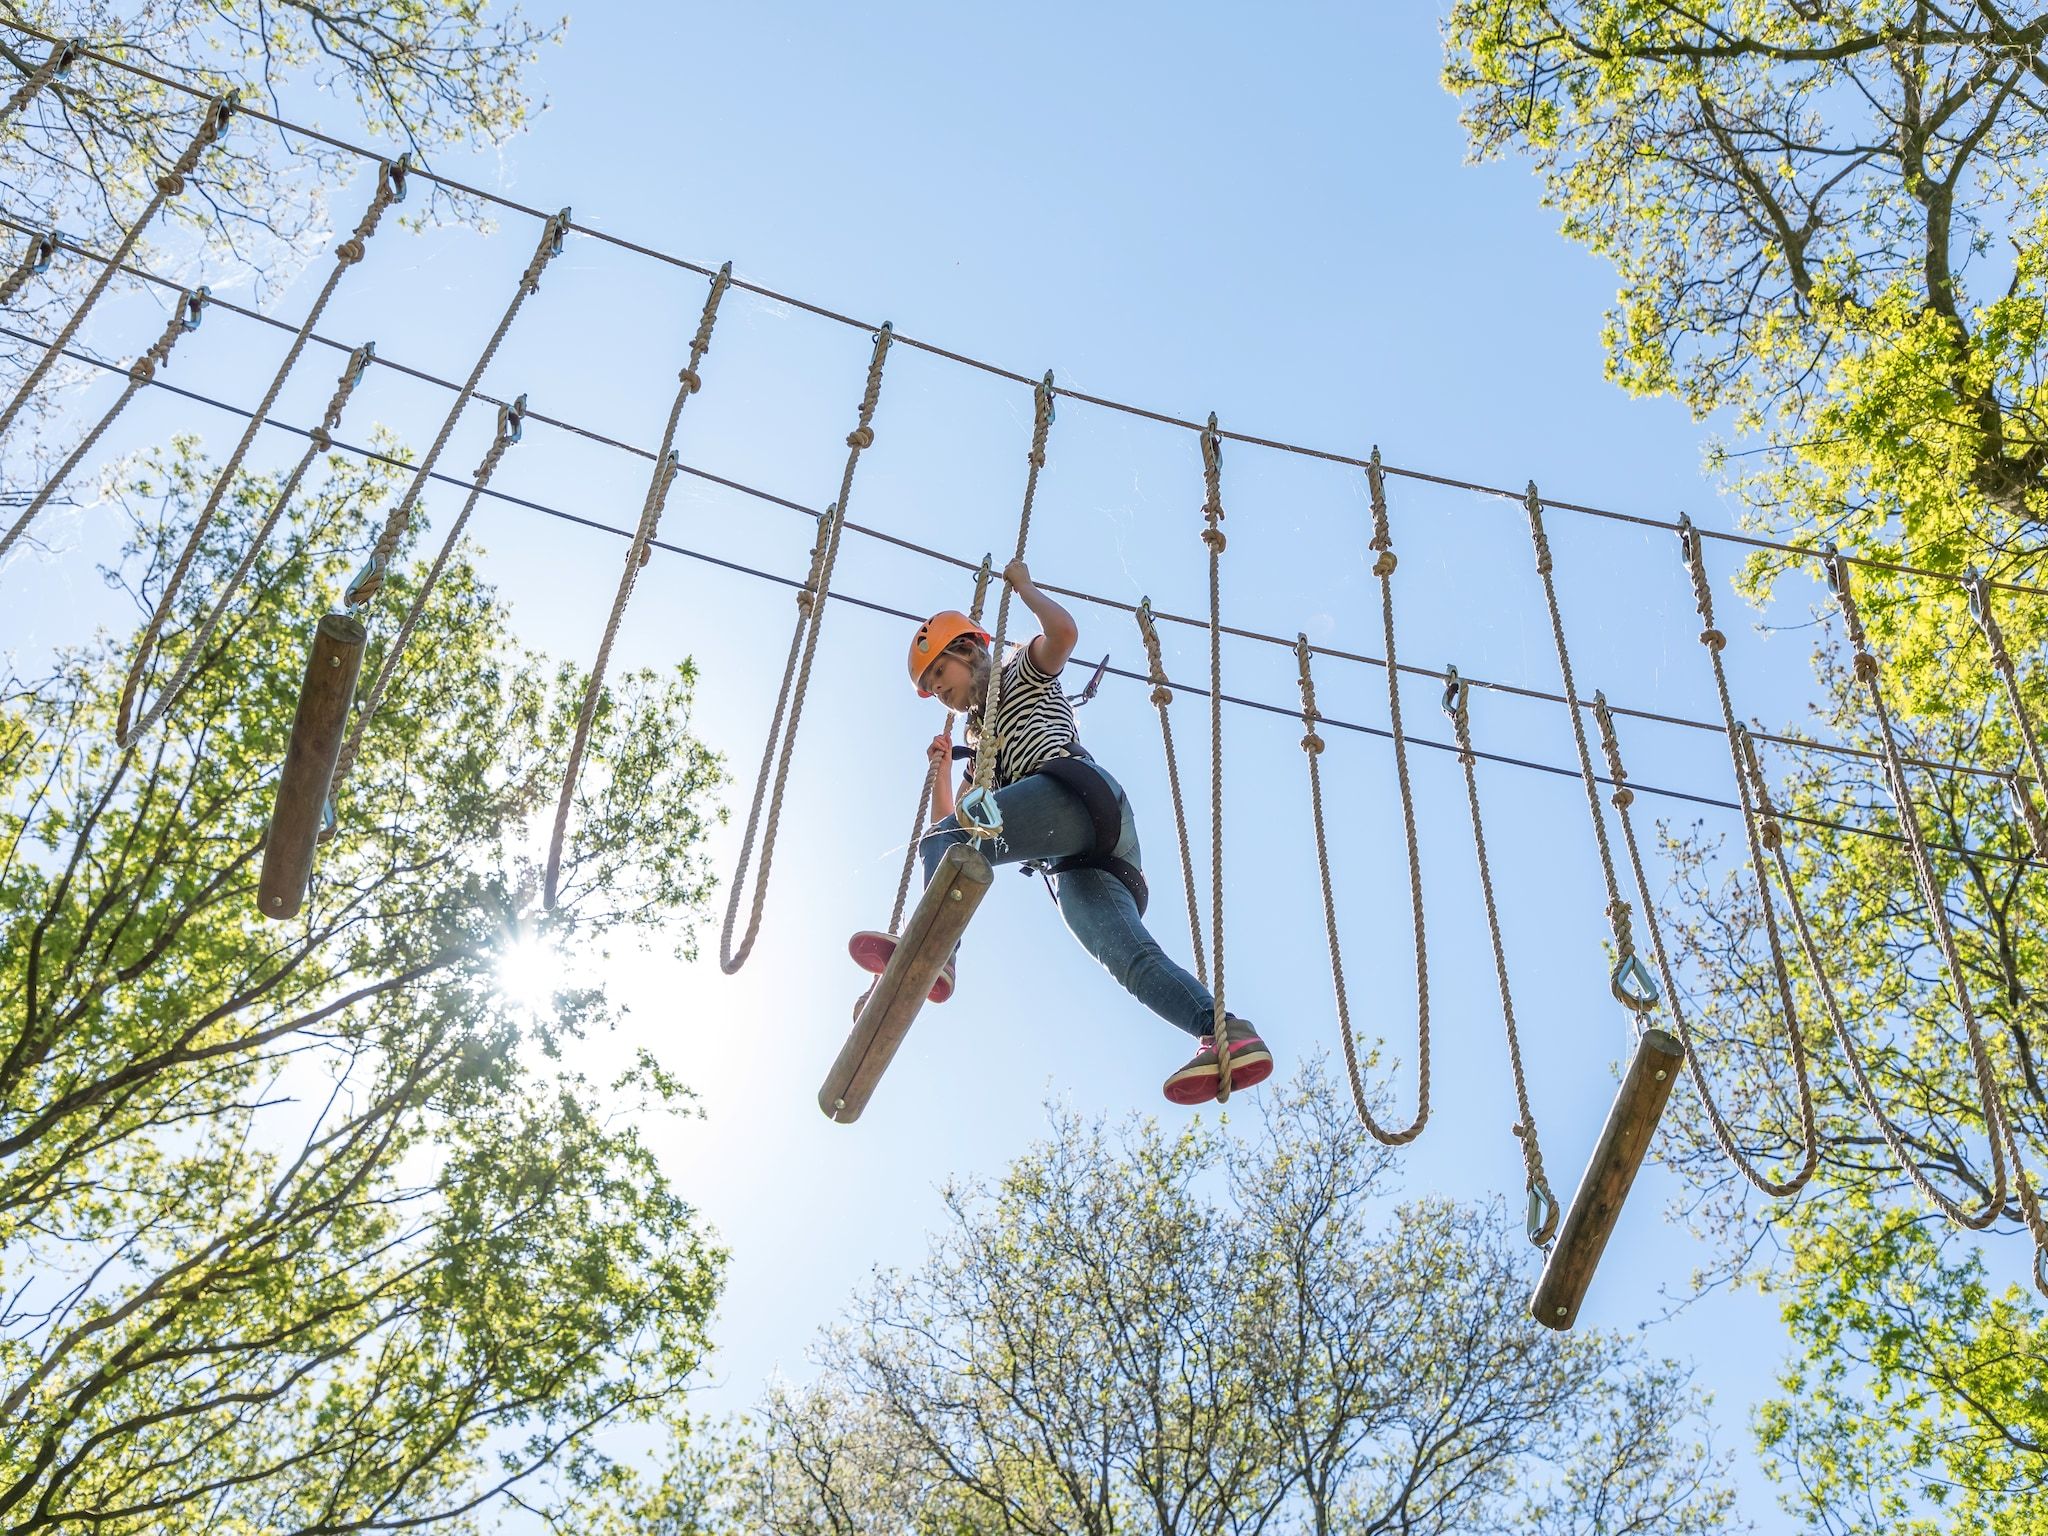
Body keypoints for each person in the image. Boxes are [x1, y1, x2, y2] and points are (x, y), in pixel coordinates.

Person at [851, 558, 1272, 1105]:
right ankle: (1222, 1034)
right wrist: (942, 772)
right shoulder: (982, 740)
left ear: (967, 651)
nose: (939, 692)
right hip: (1080, 855)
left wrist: (1025, 589)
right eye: (930, 689)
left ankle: (935, 955)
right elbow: (957, 828)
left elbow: (1064, 635)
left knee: (945, 840)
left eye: (939, 676)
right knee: (1130, 958)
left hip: (1074, 794)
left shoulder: (1015, 671)